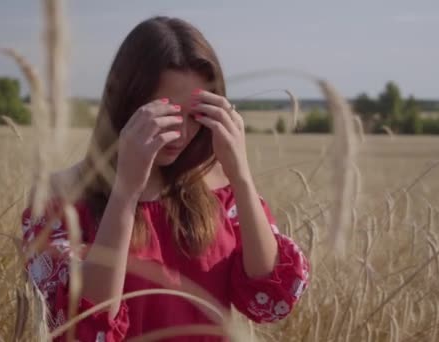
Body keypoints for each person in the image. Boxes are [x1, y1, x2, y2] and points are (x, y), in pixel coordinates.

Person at [21, 16, 309, 341]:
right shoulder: (60, 198)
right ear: (125, 105)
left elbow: (270, 299)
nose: (182, 134)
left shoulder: (221, 189)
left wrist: (240, 176)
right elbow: (82, 328)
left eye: (196, 115)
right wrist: (126, 191)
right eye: (167, 115)